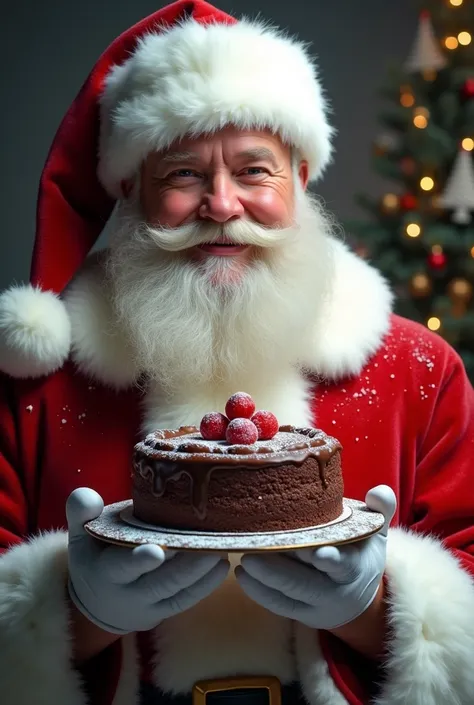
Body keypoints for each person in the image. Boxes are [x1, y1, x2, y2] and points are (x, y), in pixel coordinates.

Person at [0, 1, 473, 704]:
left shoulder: (420, 369)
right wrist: (72, 611)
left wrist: (375, 606)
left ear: (301, 176)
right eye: (184, 175)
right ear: (132, 189)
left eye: (255, 170)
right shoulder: (41, 384)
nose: (222, 204)